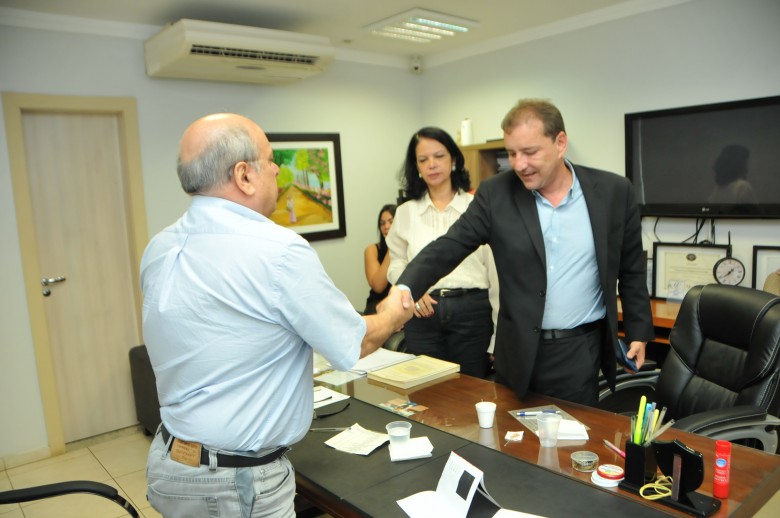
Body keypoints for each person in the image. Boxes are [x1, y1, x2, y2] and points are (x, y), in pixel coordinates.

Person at [140, 113, 412, 518]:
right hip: (234, 483)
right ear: (244, 175)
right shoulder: (278, 250)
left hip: (172, 462)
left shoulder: (159, 247)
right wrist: (392, 311)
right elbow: (354, 342)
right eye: (271, 161)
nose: (278, 171)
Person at [396, 100, 654, 406]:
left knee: (574, 432)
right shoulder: (496, 194)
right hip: (518, 351)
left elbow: (631, 268)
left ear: (560, 143)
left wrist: (638, 331)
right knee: (510, 433)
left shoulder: (613, 192)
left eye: (530, 152)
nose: (519, 164)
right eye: (512, 153)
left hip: (580, 350)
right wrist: (405, 287)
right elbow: (450, 246)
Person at [386, 127, 498, 378]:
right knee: (425, 391)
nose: (432, 165)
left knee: (470, 390)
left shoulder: (477, 207)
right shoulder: (405, 212)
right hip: (422, 316)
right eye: (423, 159)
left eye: (439, 156)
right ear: (416, 166)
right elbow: (396, 264)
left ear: (454, 160)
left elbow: (496, 276)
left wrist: (498, 337)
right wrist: (412, 289)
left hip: (472, 313)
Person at [363, 203, 396, 315]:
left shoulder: (409, 247)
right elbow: (378, 286)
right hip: (378, 304)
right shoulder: (371, 250)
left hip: (402, 302)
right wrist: (392, 246)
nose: (386, 226)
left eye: (391, 222)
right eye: (382, 223)